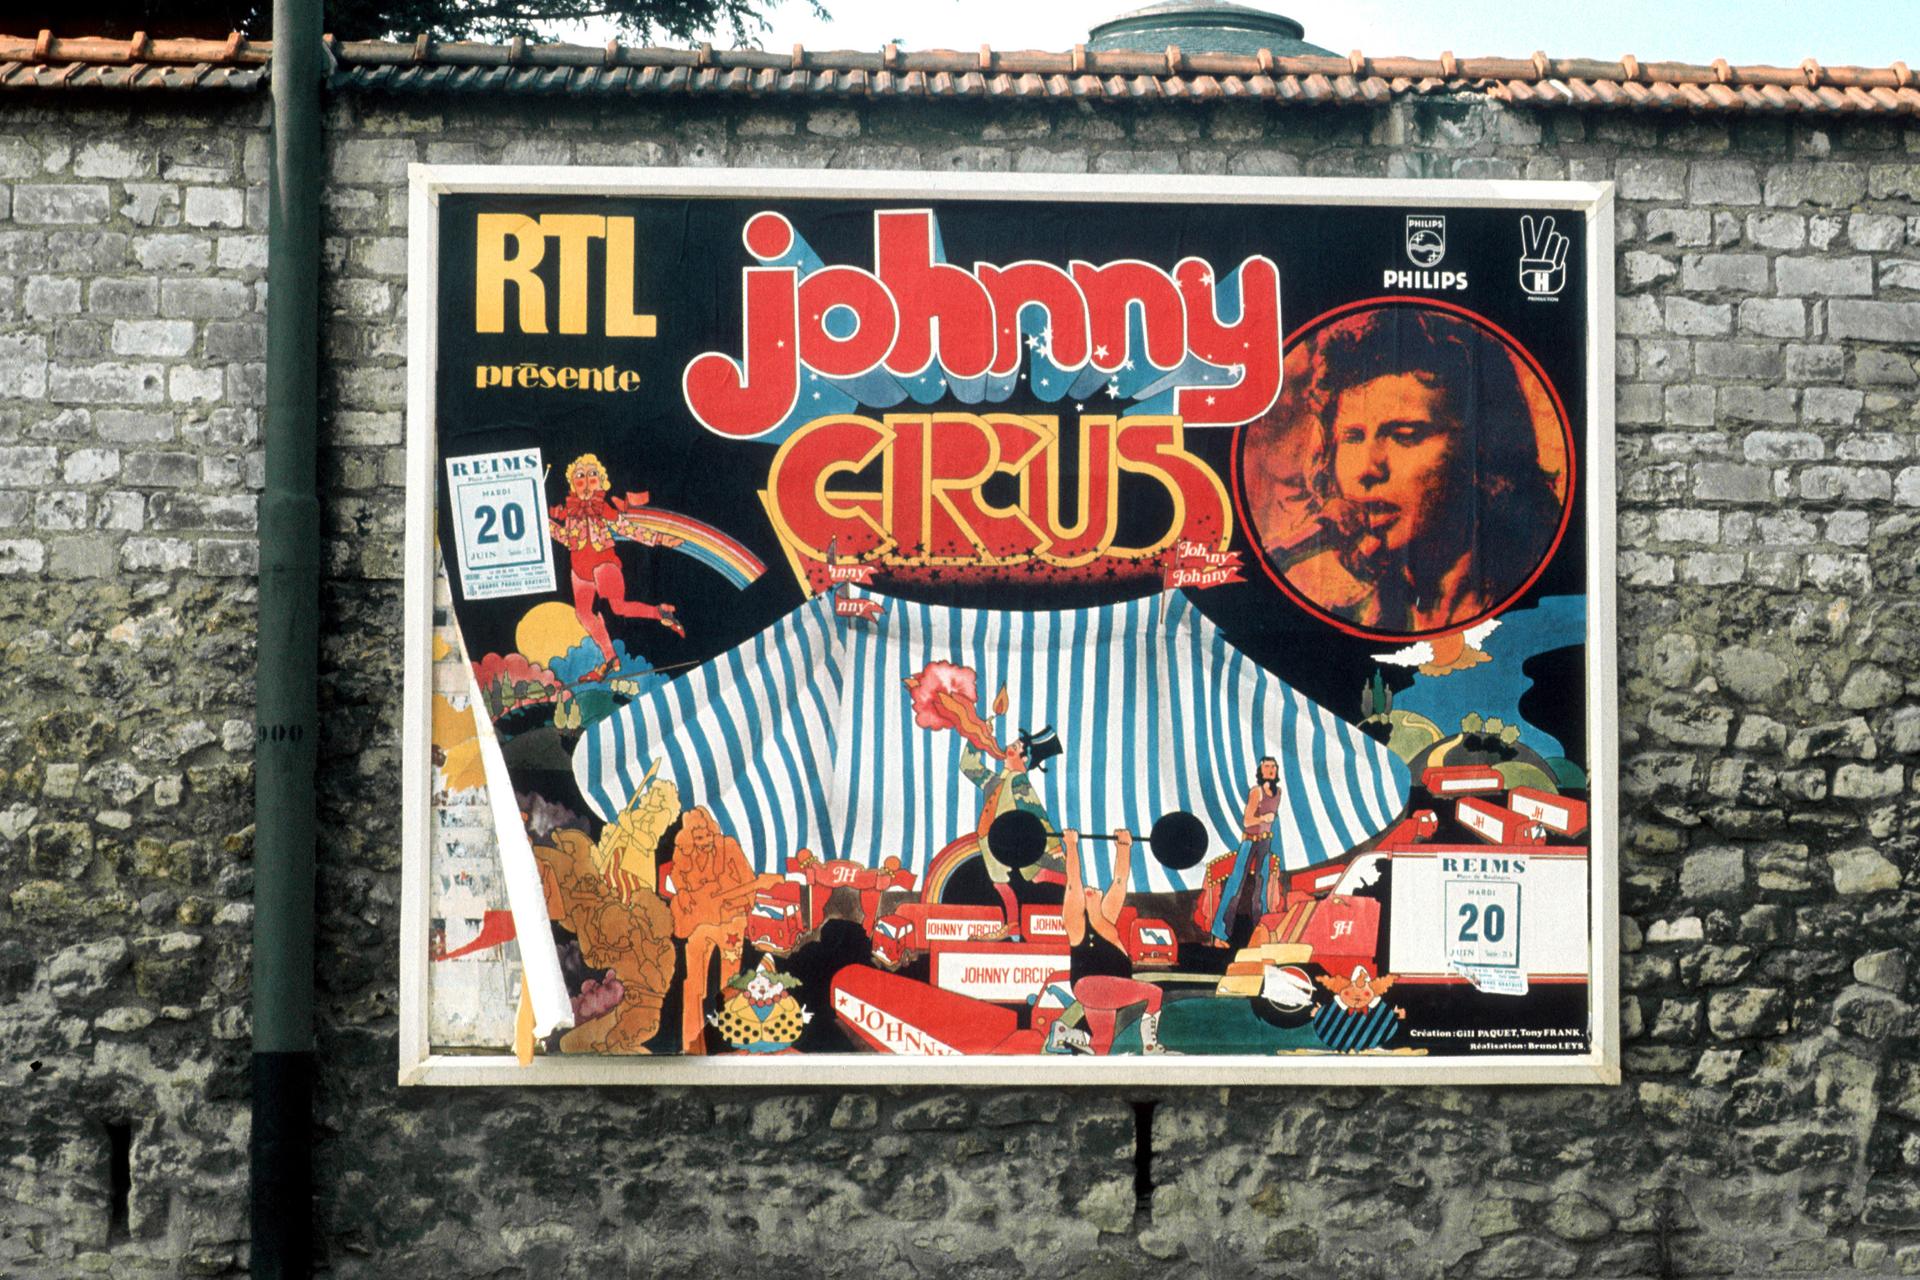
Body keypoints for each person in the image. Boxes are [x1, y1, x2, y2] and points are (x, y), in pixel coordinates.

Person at [1291, 308, 1564, 632]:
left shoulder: (1543, 595)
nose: (1367, 469)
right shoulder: (1348, 611)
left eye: (1405, 436)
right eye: (1352, 437)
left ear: (1481, 449)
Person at [548, 453, 684, 675]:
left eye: (592, 476)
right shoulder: (571, 512)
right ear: (573, 483)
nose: (586, 482)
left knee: (618, 607)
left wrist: (659, 538)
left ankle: (659, 613)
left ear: (600, 482)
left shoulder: (602, 507)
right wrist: (546, 525)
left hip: (604, 564)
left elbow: (626, 528)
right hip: (580, 571)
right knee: (583, 614)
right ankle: (610, 657)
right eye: (580, 477)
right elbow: (566, 539)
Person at [960, 726, 1064, 934]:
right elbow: (968, 765)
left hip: (1017, 844)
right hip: (990, 842)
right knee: (1001, 883)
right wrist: (978, 734)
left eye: (1015, 747)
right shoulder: (995, 782)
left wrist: (1054, 849)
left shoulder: (1018, 780)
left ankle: (1078, 889)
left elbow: (1037, 813)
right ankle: (1013, 926)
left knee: (1038, 875)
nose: (1009, 746)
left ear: (1024, 759)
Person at [1207, 756, 1285, 947]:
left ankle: (1262, 932)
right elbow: (1247, 821)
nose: (1271, 770)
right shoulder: (1256, 792)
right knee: (1235, 886)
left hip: (1265, 843)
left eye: (1274, 766)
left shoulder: (1278, 793)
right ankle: (1220, 934)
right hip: (1250, 842)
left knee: (1261, 888)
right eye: (1267, 766)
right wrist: (1263, 818)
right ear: (1261, 770)